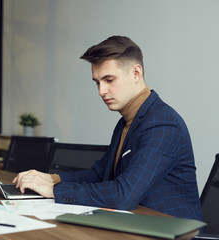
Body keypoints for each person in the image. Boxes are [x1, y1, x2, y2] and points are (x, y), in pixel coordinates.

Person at [13, 36, 202, 221]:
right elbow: (99, 174)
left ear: (136, 73)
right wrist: (52, 179)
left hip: (171, 230)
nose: (101, 91)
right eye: (97, 82)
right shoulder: (127, 121)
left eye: (109, 80)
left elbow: (123, 195)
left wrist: (54, 191)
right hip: (136, 222)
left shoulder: (163, 124)